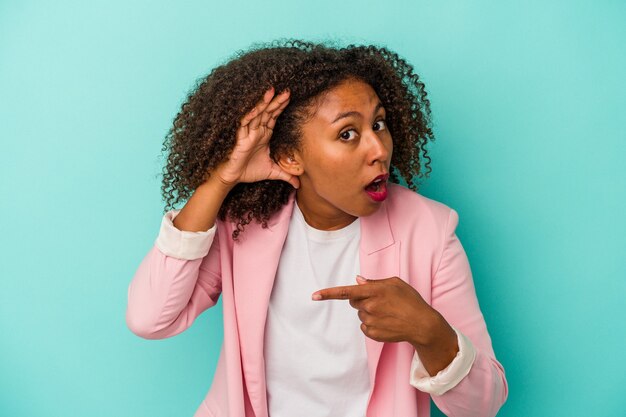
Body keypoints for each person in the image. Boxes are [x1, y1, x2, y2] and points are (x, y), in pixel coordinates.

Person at [126, 39, 508, 417]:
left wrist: (429, 331)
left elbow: (482, 406)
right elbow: (150, 318)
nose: (378, 149)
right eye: (348, 133)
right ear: (291, 157)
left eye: (379, 124)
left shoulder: (430, 231)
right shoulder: (243, 224)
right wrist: (220, 182)